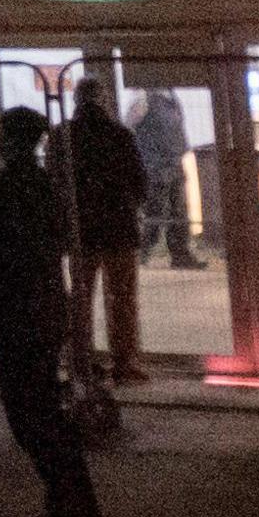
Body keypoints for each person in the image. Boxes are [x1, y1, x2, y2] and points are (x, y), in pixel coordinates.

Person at [0, 107, 101, 517]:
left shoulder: (19, 189)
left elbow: (11, 260)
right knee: (41, 412)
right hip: (39, 312)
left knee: (32, 415)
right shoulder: (39, 188)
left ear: (12, 141)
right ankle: (71, 506)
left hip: (23, 316)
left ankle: (70, 508)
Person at [66, 78, 149, 384]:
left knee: (81, 299)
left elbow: (56, 185)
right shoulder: (120, 135)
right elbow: (140, 182)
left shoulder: (63, 138)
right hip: (119, 230)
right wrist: (130, 206)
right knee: (122, 299)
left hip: (81, 233)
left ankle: (82, 362)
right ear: (102, 99)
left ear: (76, 100)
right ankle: (124, 363)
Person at [131, 87, 198, 269]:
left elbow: (178, 129)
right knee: (155, 211)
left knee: (179, 210)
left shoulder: (171, 96)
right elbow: (131, 123)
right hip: (154, 164)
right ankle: (140, 252)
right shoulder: (144, 96)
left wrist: (182, 151)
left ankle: (180, 254)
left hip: (173, 162)